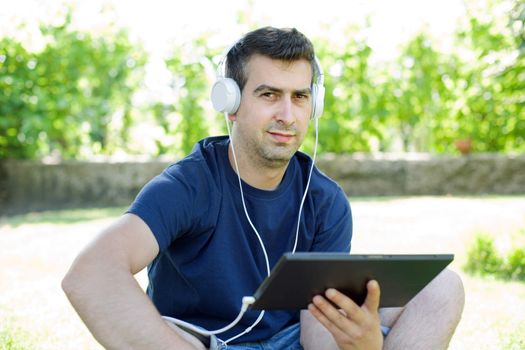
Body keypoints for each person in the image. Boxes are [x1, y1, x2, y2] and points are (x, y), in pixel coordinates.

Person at [62, 26, 465, 350]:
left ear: (314, 105)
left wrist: (359, 344)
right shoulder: (186, 185)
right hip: (203, 341)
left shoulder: (324, 200)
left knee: (442, 287)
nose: (287, 115)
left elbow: (315, 329)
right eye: (269, 94)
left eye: (300, 97)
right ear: (231, 103)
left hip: (292, 339)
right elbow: (89, 274)